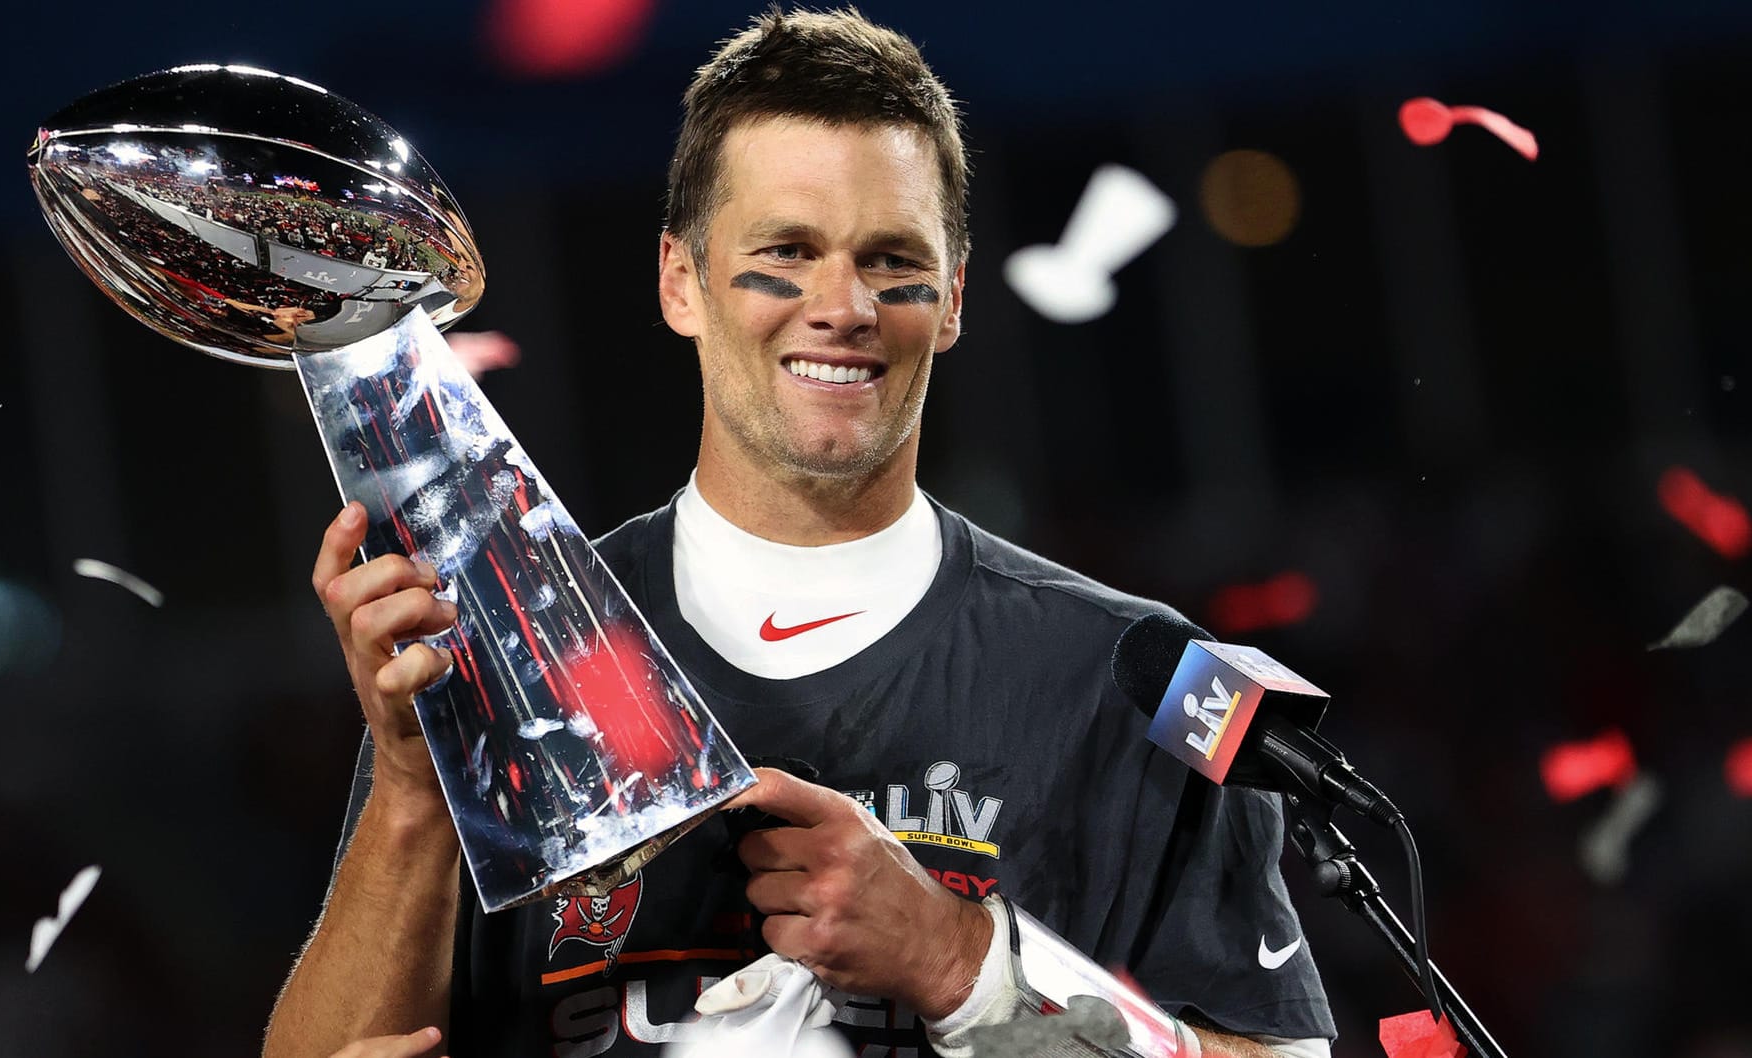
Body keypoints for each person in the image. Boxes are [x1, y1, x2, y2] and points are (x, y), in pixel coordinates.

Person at [262, 9, 1335, 1058]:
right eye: (785, 249)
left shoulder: (1127, 682)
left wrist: (969, 965)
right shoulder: (502, 646)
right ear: (678, 280)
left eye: (889, 259)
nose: (842, 304)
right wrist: (413, 793)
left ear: (951, 297)